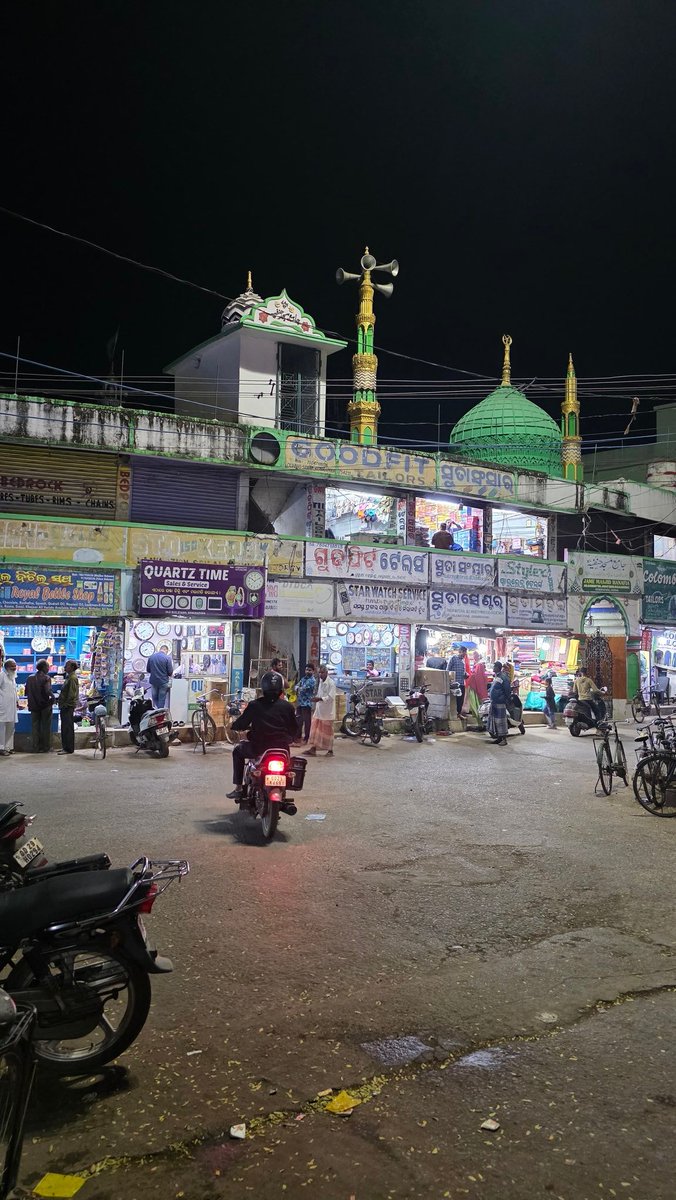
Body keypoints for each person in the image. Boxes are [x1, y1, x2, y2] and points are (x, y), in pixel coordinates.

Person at [226, 671, 298, 801]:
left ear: (263, 687)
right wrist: (290, 737)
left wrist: (235, 725)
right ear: (281, 688)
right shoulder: (288, 707)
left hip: (258, 748)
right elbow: (295, 730)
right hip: (282, 750)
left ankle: (238, 788)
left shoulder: (254, 705)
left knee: (237, 751)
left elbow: (241, 723)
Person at [303, 664, 337, 757]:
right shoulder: (321, 682)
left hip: (327, 712)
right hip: (319, 711)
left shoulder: (331, 683)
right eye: (319, 673)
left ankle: (330, 750)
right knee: (315, 730)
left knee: (328, 732)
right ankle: (313, 748)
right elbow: (319, 694)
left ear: (326, 673)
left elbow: (331, 697)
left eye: (322, 673)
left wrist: (319, 699)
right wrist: (316, 699)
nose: (320, 675)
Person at [26, 659, 53, 753]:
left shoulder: (30, 677)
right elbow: (48, 691)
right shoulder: (46, 678)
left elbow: (26, 692)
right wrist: (53, 697)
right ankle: (45, 747)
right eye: (48, 667)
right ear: (44, 667)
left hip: (33, 705)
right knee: (45, 726)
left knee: (35, 726)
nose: (48, 668)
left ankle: (35, 747)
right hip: (45, 706)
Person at [57, 659, 79, 755]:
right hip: (65, 705)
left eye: (67, 665)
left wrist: (66, 704)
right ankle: (65, 747)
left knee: (67, 727)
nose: (65, 667)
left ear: (72, 667)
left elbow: (72, 694)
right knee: (65, 727)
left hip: (68, 706)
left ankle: (68, 748)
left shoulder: (72, 678)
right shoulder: (69, 677)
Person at [487, 661, 511, 746]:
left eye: (494, 666)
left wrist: (505, 699)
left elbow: (507, 690)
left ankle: (504, 739)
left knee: (501, 722)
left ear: (498, 667)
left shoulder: (503, 677)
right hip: (494, 702)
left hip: (500, 702)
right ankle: (499, 738)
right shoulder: (497, 677)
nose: (493, 668)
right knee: (496, 721)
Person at [0, 658, 18, 756]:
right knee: (1, 728)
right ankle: (1, 748)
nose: (14, 668)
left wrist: (17, 701)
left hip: (12, 707)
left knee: (11, 728)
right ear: (6, 667)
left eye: (15, 666)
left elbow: (14, 690)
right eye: (12, 666)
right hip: (2, 707)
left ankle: (8, 747)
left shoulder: (13, 676)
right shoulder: (2, 675)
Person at [295, 664, 317, 744]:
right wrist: (298, 688)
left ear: (313, 671)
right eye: (306, 670)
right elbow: (296, 686)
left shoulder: (312, 680)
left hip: (307, 704)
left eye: (310, 670)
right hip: (300, 703)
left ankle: (306, 738)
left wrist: (298, 688)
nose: (307, 671)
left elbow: (303, 689)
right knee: (298, 721)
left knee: (307, 722)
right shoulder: (303, 678)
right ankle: (298, 737)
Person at [448, 646, 468, 716]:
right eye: (464, 653)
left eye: (465, 654)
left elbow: (463, 672)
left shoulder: (463, 661)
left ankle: (458, 714)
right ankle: (454, 714)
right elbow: (448, 670)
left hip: (462, 683)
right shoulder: (453, 658)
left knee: (460, 700)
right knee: (454, 701)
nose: (464, 655)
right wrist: (450, 682)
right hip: (455, 684)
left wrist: (466, 674)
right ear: (460, 651)